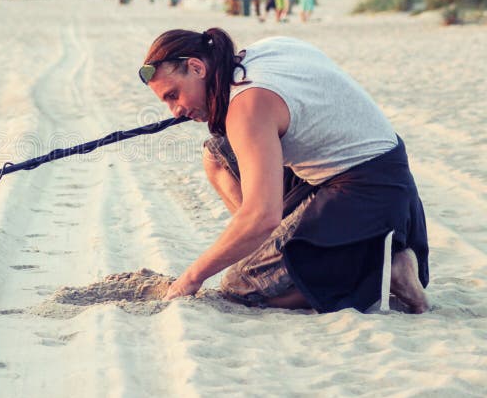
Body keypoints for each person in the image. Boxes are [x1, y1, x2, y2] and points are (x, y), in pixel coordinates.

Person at [138, 28, 430, 313]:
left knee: (240, 286)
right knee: (217, 153)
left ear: (197, 67)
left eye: (173, 95)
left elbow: (262, 215)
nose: (174, 111)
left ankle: (380, 270)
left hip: (367, 194)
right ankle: (269, 251)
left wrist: (191, 278)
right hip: (381, 175)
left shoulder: (248, 105)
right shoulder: (264, 51)